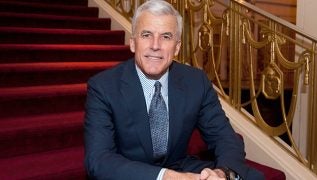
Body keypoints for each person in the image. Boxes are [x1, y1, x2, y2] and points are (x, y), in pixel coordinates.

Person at [84, 0, 264, 179]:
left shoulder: (196, 81)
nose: (155, 45)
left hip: (180, 166)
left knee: (252, 177)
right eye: (146, 35)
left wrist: (221, 173)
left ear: (177, 47)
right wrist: (165, 177)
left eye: (166, 36)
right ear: (133, 43)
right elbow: (99, 160)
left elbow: (225, 137)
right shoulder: (104, 87)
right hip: (131, 173)